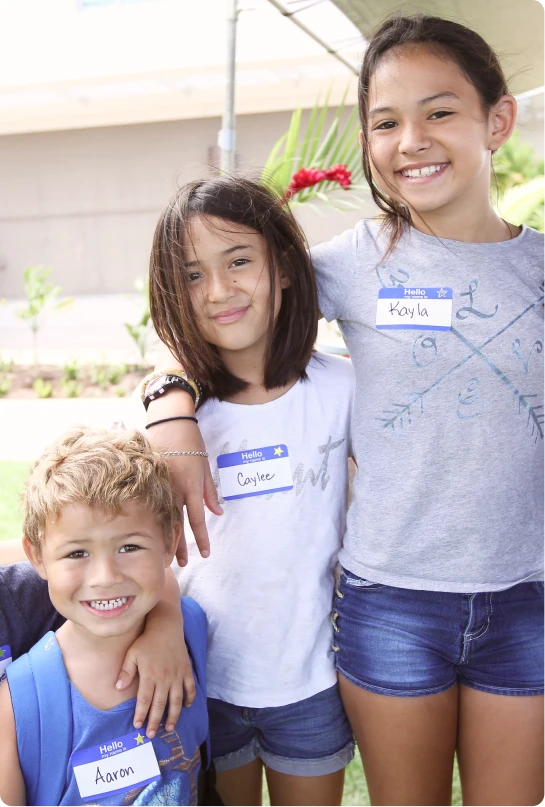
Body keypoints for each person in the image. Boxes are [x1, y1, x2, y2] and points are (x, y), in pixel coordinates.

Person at [142, 14, 545, 807]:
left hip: (523, 597)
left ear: (496, 120)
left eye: (438, 112)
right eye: (385, 122)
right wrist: (169, 410)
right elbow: (216, 313)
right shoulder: (354, 263)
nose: (411, 140)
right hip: (390, 603)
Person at [139, 176, 355, 807]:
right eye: (192, 275)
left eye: (238, 262)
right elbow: (135, 549)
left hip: (310, 683)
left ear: (283, 267)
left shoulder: (343, 389)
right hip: (201, 682)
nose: (219, 291)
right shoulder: (169, 422)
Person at [0, 426, 211, 807]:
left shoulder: (191, 629)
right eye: (77, 553)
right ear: (36, 558)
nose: (105, 578)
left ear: (170, 542)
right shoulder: (14, 708)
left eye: (129, 547)